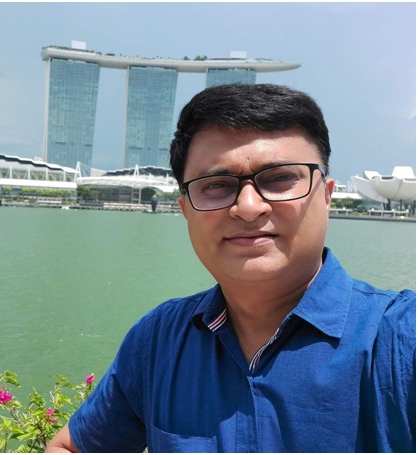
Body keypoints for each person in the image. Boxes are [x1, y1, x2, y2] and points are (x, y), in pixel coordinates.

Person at [46, 84, 416, 452]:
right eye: (216, 185)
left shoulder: (399, 342)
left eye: (280, 178)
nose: (249, 207)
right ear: (186, 210)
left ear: (326, 194)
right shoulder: (160, 339)